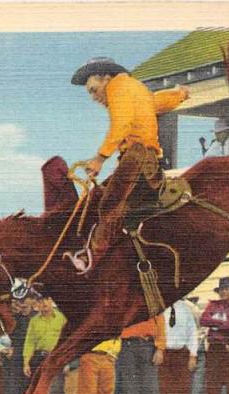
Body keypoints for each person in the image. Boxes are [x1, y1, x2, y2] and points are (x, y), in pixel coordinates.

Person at [69, 57, 190, 271]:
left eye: (93, 90)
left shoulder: (118, 88)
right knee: (100, 196)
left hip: (137, 157)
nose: (93, 97)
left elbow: (121, 125)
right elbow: (155, 103)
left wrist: (99, 159)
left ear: (106, 78)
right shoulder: (135, 88)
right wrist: (179, 95)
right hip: (144, 160)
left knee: (108, 203)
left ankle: (92, 260)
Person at [23, 296, 69, 394]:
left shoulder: (62, 318)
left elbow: (68, 340)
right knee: (38, 392)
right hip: (39, 358)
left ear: (51, 301)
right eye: (40, 301)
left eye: (46, 300)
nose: (43, 304)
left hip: (57, 358)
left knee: (55, 392)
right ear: (36, 304)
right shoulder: (34, 321)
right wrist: (26, 362)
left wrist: (67, 361)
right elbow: (29, 342)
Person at [119, 315, 167, 394]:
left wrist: (160, 348)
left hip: (148, 344)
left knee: (151, 389)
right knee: (129, 389)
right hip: (127, 345)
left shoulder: (152, 298)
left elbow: (160, 323)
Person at [159, 299, 199, 394]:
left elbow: (193, 332)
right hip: (164, 352)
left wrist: (193, 355)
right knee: (164, 389)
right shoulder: (158, 308)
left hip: (181, 353)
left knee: (182, 389)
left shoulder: (186, 309)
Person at [2, 297, 37, 394]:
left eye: (25, 306)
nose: (21, 307)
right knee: (14, 390)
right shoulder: (10, 318)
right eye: (18, 304)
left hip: (32, 358)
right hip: (15, 358)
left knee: (29, 390)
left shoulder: (36, 318)